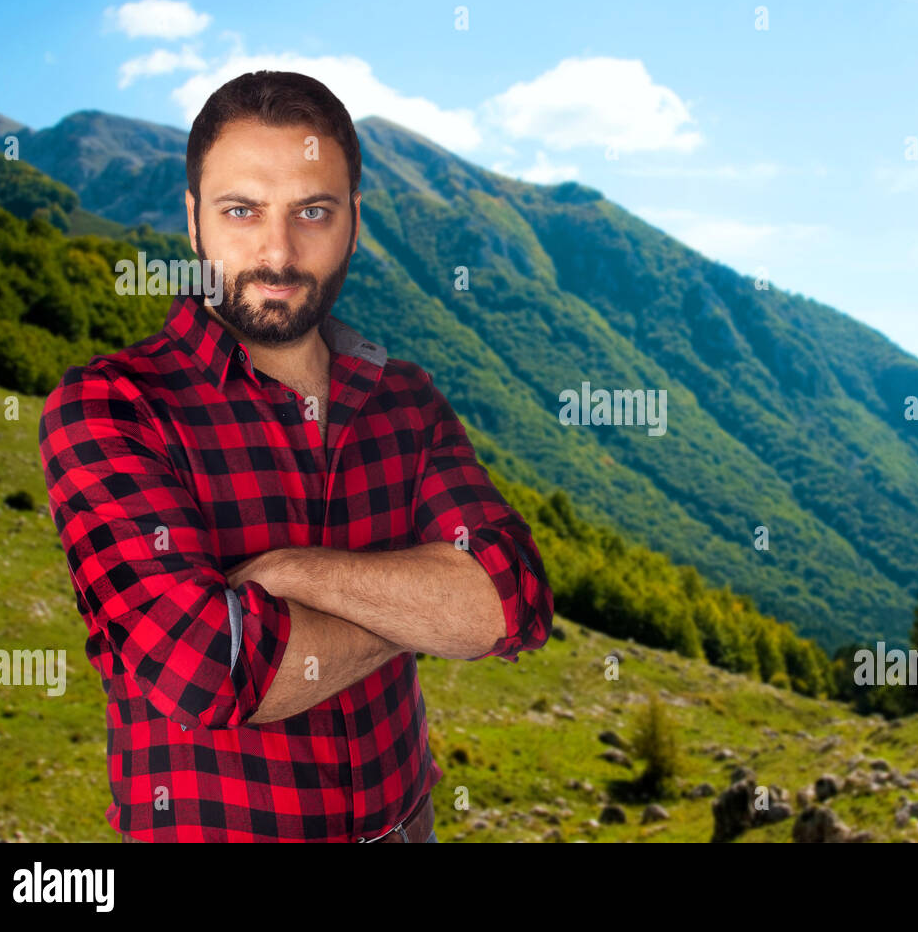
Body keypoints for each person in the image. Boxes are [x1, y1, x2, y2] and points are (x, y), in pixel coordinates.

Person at [37, 70, 553, 842]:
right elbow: (210, 668)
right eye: (241, 211)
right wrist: (425, 609)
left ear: (353, 225)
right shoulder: (110, 409)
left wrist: (293, 573)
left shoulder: (404, 399)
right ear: (194, 222)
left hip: (407, 826)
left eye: (312, 211)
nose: (276, 253)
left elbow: (513, 596)